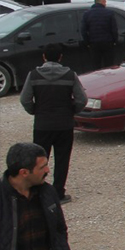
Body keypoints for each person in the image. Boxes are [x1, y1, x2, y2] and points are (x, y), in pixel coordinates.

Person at [19, 43, 85, 204]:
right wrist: (72, 110)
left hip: (42, 124)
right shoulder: (70, 75)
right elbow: (82, 99)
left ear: (44, 57)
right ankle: (58, 193)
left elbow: (24, 99)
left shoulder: (34, 75)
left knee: (39, 160)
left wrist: (34, 110)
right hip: (64, 124)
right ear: (61, 57)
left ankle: (38, 192)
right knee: (62, 159)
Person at [80, 0, 120, 70]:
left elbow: (83, 30)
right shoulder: (109, 13)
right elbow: (114, 29)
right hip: (108, 42)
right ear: (102, 1)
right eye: (105, 2)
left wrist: (87, 42)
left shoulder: (87, 14)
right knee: (108, 65)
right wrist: (115, 41)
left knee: (96, 65)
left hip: (94, 43)